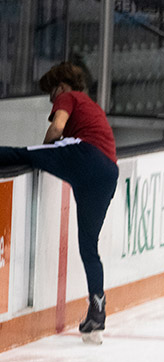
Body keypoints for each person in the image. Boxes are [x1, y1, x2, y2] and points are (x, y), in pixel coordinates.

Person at [0, 61, 118, 343]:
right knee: (89, 247)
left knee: (23, 154)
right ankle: (96, 312)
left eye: (51, 94)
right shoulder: (91, 105)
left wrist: (43, 152)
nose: (52, 101)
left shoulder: (70, 96)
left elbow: (57, 128)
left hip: (86, 156)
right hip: (107, 172)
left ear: (61, 86)